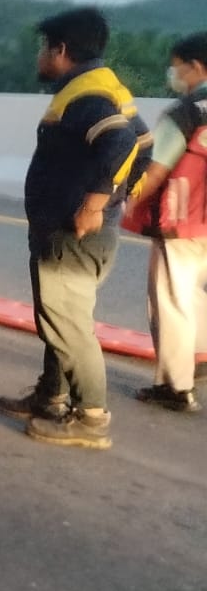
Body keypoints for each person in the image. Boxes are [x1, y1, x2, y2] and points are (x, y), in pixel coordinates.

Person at [0, 7, 151, 449]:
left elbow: (120, 142)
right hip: (71, 231)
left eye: (44, 48)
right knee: (61, 320)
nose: (40, 56)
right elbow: (144, 145)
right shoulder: (103, 87)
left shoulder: (86, 97)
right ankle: (51, 397)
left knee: (69, 324)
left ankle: (90, 418)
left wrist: (96, 204)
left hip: (71, 233)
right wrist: (121, 194)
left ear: (60, 50)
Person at [121, 32, 207, 413]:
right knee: (195, 296)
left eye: (177, 65)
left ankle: (177, 386)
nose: (173, 72)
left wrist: (124, 197)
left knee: (171, 299)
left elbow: (156, 169)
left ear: (196, 67)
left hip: (183, 220)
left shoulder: (186, 111)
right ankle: (197, 357)